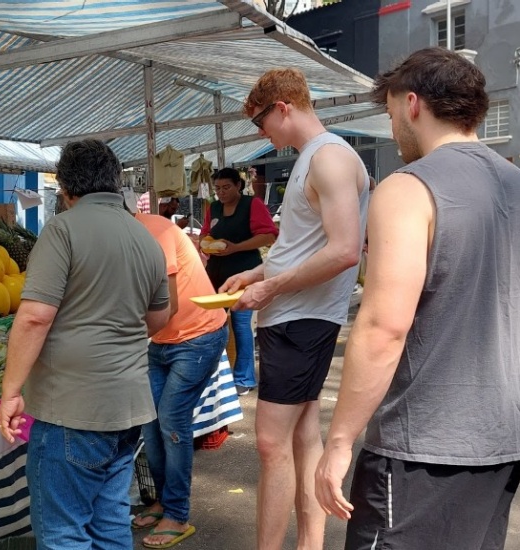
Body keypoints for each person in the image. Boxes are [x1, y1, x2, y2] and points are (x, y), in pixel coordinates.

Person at [315, 47, 520, 550]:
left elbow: (385, 325)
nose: (393, 132)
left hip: (424, 445)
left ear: (412, 105)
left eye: (389, 116)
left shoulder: (408, 188)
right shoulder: (516, 184)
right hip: (503, 437)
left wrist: (339, 442)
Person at [219, 68, 369, 550]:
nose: (264, 136)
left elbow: (345, 249)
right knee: (302, 437)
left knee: (269, 444)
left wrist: (271, 287)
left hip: (302, 321)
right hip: (295, 318)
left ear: (284, 107)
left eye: (263, 123)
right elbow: (305, 246)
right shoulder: (316, 158)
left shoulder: (329, 158)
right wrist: (257, 275)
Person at [0, 139, 171, 550]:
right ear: (115, 183)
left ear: (66, 189)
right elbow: (159, 318)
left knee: (63, 532)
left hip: (72, 410)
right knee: (111, 520)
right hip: (129, 408)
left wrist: (10, 392)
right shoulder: (146, 237)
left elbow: (35, 316)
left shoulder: (62, 230)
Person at [130, 205, 229, 548]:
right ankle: (163, 500)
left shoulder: (154, 233)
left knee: (172, 419)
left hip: (198, 336)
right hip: (163, 340)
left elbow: (166, 306)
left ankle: (178, 515)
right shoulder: (121, 239)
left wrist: (121, 340)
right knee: (150, 418)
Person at [201, 167, 278, 395]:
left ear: (238, 186)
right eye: (217, 189)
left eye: (226, 187)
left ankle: (244, 378)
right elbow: (206, 232)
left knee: (241, 324)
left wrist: (236, 247)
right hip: (216, 274)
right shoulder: (213, 207)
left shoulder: (251, 205)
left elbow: (268, 235)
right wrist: (206, 243)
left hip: (245, 273)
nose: (221, 193)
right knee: (213, 323)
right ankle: (215, 375)